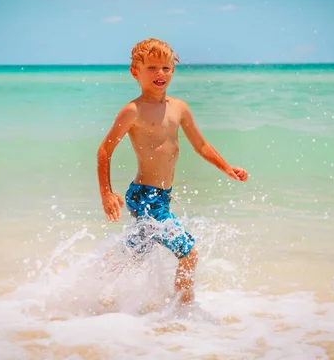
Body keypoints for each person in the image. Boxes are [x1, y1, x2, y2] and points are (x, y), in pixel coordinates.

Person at [97, 38, 248, 304]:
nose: (160, 74)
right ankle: (182, 307)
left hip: (161, 196)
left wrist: (227, 168)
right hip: (146, 196)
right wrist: (106, 194)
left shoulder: (179, 108)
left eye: (166, 68)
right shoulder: (132, 111)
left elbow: (201, 145)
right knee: (188, 253)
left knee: (136, 254)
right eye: (152, 67)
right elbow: (104, 151)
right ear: (135, 72)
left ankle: (96, 285)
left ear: (173, 71)